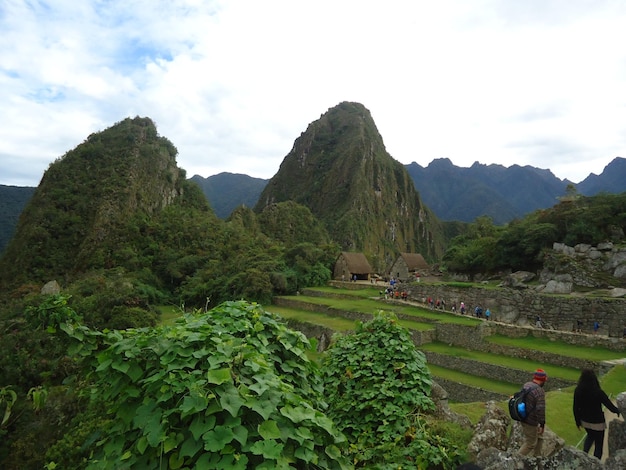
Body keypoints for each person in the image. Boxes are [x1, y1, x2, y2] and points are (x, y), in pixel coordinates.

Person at [573, 369, 620, 460]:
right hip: (598, 423)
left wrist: (577, 421)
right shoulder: (598, 392)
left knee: (590, 436)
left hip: (585, 421)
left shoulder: (578, 390)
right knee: (598, 444)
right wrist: (617, 411)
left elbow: (575, 407)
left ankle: (583, 457)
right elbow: (608, 404)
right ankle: (595, 463)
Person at [519, 369, 548, 457]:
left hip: (522, 416)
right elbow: (540, 409)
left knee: (539, 437)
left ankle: (537, 457)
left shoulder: (526, 385)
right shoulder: (539, 392)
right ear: (542, 380)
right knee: (530, 443)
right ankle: (513, 460)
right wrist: (542, 424)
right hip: (531, 421)